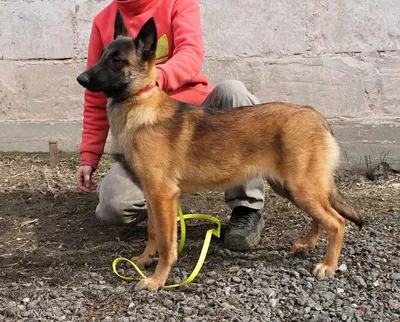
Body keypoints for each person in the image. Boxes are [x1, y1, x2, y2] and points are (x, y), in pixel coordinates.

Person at [76, 0, 265, 251]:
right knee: (114, 207)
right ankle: (161, 200)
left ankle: (246, 208)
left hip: (196, 113)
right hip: (146, 128)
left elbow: (191, 54)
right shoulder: (104, 20)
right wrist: (89, 156)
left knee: (234, 93)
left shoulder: (178, 3)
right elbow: (95, 91)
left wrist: (155, 79)